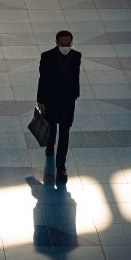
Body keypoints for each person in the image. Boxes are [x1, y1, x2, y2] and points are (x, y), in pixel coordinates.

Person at [37, 30, 81, 184]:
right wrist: (40, 99)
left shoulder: (76, 57)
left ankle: (60, 167)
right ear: (56, 42)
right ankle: (50, 144)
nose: (65, 46)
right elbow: (42, 79)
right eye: (62, 44)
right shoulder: (47, 57)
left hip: (68, 102)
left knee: (64, 132)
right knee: (52, 127)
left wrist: (75, 94)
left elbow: (76, 76)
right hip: (51, 100)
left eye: (68, 44)